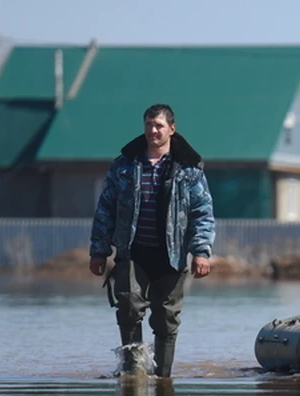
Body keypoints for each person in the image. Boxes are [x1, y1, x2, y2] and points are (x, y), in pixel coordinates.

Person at [89, 104, 215, 378]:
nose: (153, 130)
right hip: (133, 253)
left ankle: (162, 378)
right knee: (129, 306)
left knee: (166, 318)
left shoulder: (189, 168)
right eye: (148, 124)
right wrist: (99, 250)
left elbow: (202, 212)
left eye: (158, 125)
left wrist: (201, 251)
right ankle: (133, 374)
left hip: (172, 255)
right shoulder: (125, 165)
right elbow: (105, 208)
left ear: (172, 129)